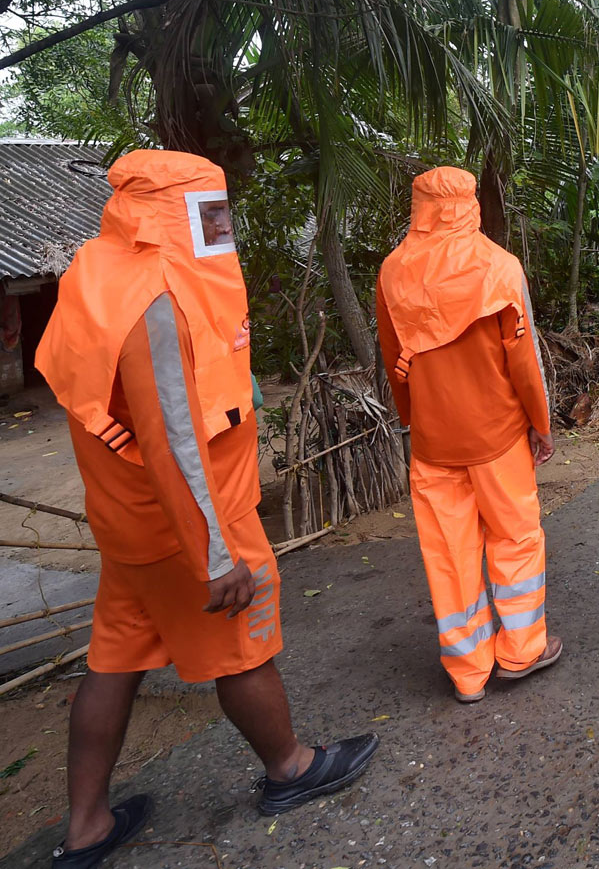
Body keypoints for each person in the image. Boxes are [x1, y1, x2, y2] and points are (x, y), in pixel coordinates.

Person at [35, 150, 379, 868]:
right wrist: (215, 553)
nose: (221, 227)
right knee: (241, 648)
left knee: (114, 661)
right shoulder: (155, 293)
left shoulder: (92, 271)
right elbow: (172, 437)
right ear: (171, 209)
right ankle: (289, 767)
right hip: (189, 525)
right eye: (209, 212)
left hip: (126, 524)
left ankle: (87, 825)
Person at [376, 166, 561, 704]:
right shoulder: (500, 268)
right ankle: (522, 649)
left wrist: (413, 417)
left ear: (420, 206)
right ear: (469, 203)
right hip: (498, 435)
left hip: (433, 441)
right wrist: (541, 426)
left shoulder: (392, 272)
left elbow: (395, 361)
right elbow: (525, 363)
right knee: (515, 539)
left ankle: (468, 672)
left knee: (448, 554)